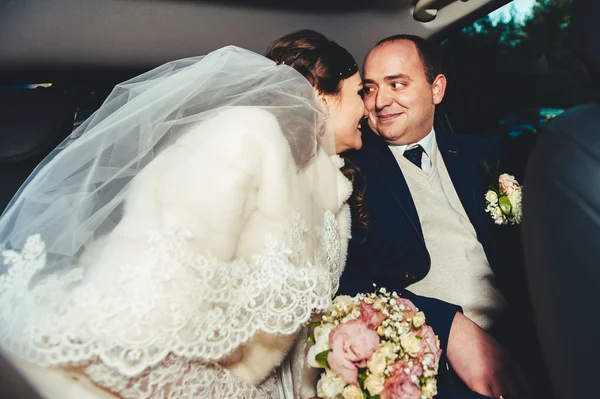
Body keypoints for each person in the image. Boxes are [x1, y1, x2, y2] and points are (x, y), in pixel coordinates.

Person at [0, 31, 366, 399]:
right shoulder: (239, 141)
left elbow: (287, 356)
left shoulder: (332, 201)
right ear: (322, 95)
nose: (368, 107)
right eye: (360, 92)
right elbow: (128, 346)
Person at [339, 34, 537, 399]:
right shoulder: (349, 175)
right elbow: (346, 284)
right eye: (369, 89)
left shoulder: (482, 154)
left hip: (530, 338)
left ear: (437, 88)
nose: (381, 101)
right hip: (431, 362)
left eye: (397, 84)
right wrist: (448, 327)